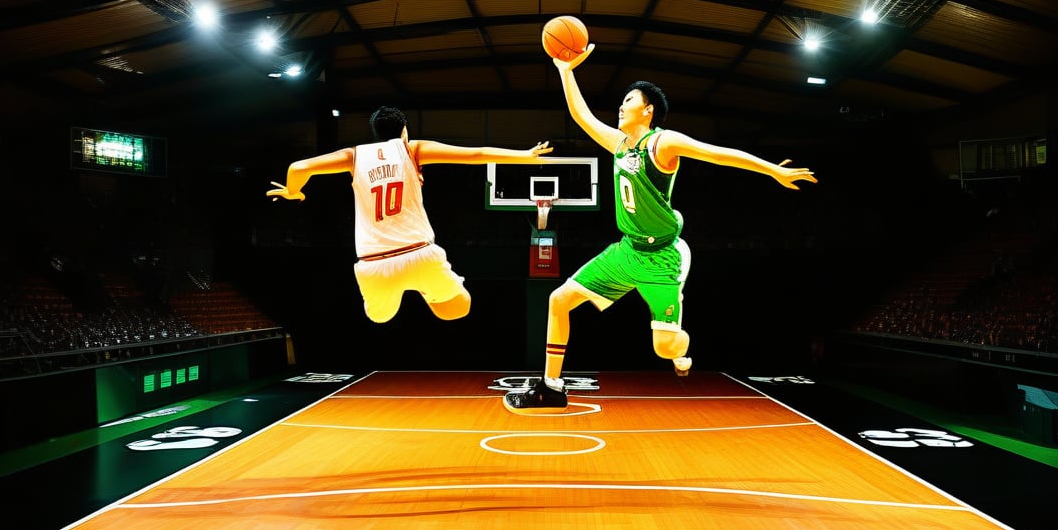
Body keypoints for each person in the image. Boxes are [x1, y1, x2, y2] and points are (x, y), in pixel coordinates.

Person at [505, 46, 817, 409]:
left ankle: (681, 343)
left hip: (662, 257)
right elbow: (581, 115)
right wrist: (564, 69)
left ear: (648, 110)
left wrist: (773, 170)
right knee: (558, 300)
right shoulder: (619, 143)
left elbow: (718, 153)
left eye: (629, 100)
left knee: (666, 347)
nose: (621, 106)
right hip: (626, 251)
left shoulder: (663, 142)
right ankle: (552, 387)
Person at [267, 106, 552, 323]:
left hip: (373, 264)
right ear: (404, 129)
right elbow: (475, 155)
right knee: (458, 309)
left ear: (375, 133)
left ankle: (410, 289)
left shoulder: (355, 155)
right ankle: (428, 291)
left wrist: (294, 192)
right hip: (420, 255)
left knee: (379, 318)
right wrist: (523, 155)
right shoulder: (411, 149)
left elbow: (298, 168)